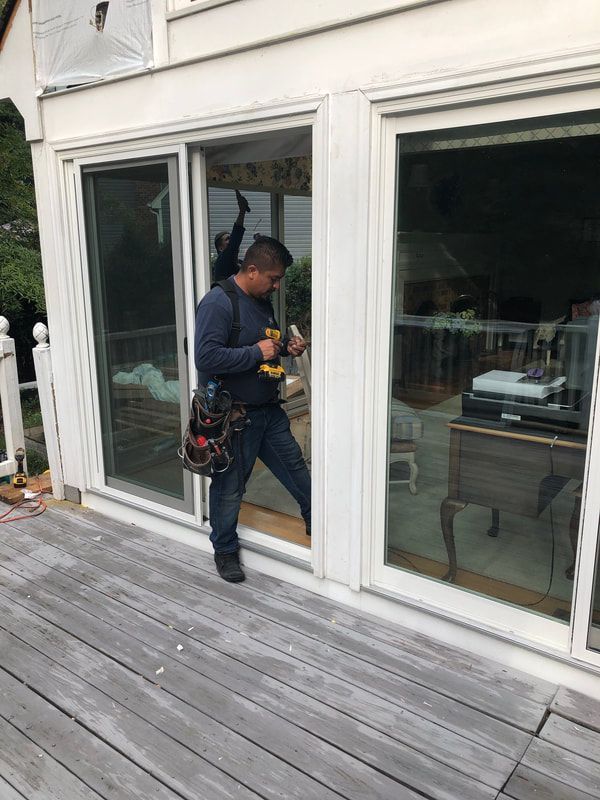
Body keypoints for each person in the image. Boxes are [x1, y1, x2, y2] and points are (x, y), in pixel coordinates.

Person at [195, 236, 310, 583]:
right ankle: (225, 550)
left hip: (269, 410)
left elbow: (266, 342)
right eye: (274, 279)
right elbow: (205, 357)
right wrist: (256, 353)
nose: (277, 286)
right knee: (230, 488)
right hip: (234, 417)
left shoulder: (261, 302)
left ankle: (319, 524)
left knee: (296, 468)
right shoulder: (218, 302)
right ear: (253, 269)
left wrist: (285, 348)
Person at [213, 189, 251, 281]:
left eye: (230, 238)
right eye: (227, 239)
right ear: (220, 248)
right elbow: (234, 241)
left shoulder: (239, 263)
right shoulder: (222, 261)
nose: (231, 240)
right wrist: (242, 211)